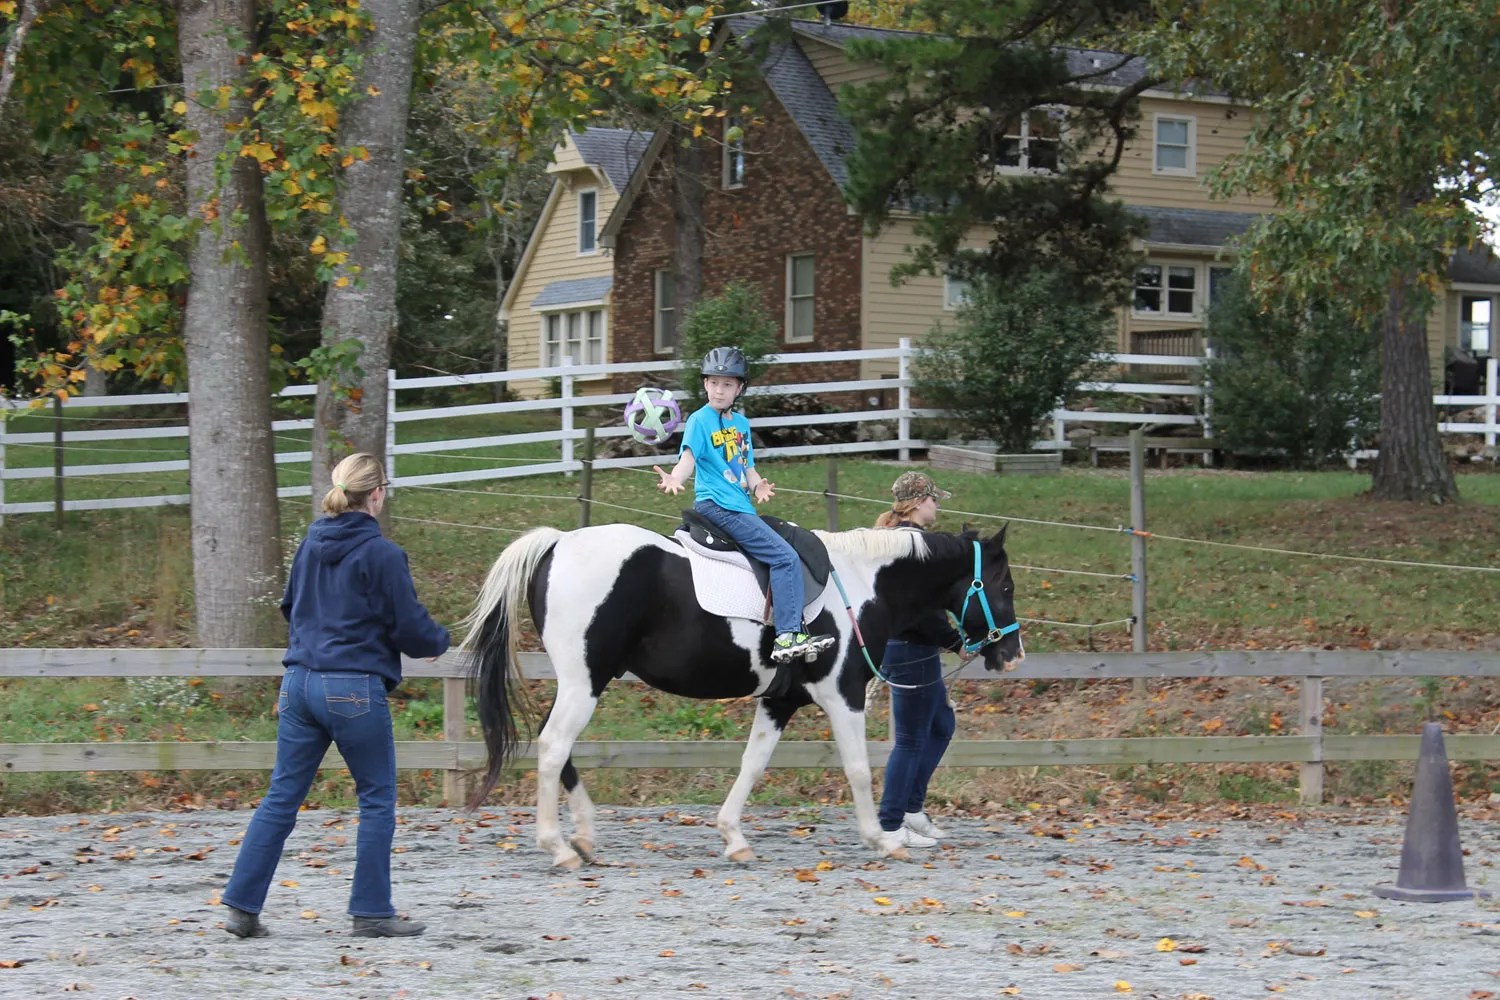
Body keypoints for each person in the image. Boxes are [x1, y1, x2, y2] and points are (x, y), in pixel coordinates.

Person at [220, 453, 450, 939]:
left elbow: (290, 606)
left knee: (281, 796)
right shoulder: (383, 554)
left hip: (299, 681)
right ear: (377, 494)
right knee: (377, 799)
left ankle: (242, 907)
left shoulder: (309, 542)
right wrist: (438, 641)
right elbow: (410, 626)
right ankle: (370, 912)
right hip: (353, 688)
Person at [654, 346, 836, 674]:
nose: (719, 390)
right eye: (713, 383)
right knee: (784, 557)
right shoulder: (699, 420)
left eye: (728, 384)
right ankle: (787, 636)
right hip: (717, 507)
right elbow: (689, 458)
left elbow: (747, 466)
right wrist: (675, 478)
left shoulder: (741, 424)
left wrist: (758, 486)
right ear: (705, 385)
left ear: (740, 388)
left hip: (741, 506)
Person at [874, 471, 971, 851]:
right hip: (911, 646)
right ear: (917, 503)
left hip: (908, 646)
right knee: (911, 739)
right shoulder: (916, 546)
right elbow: (923, 609)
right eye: (933, 499)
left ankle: (911, 809)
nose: (937, 505)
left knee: (940, 724)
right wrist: (955, 642)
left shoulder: (894, 540)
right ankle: (890, 823)